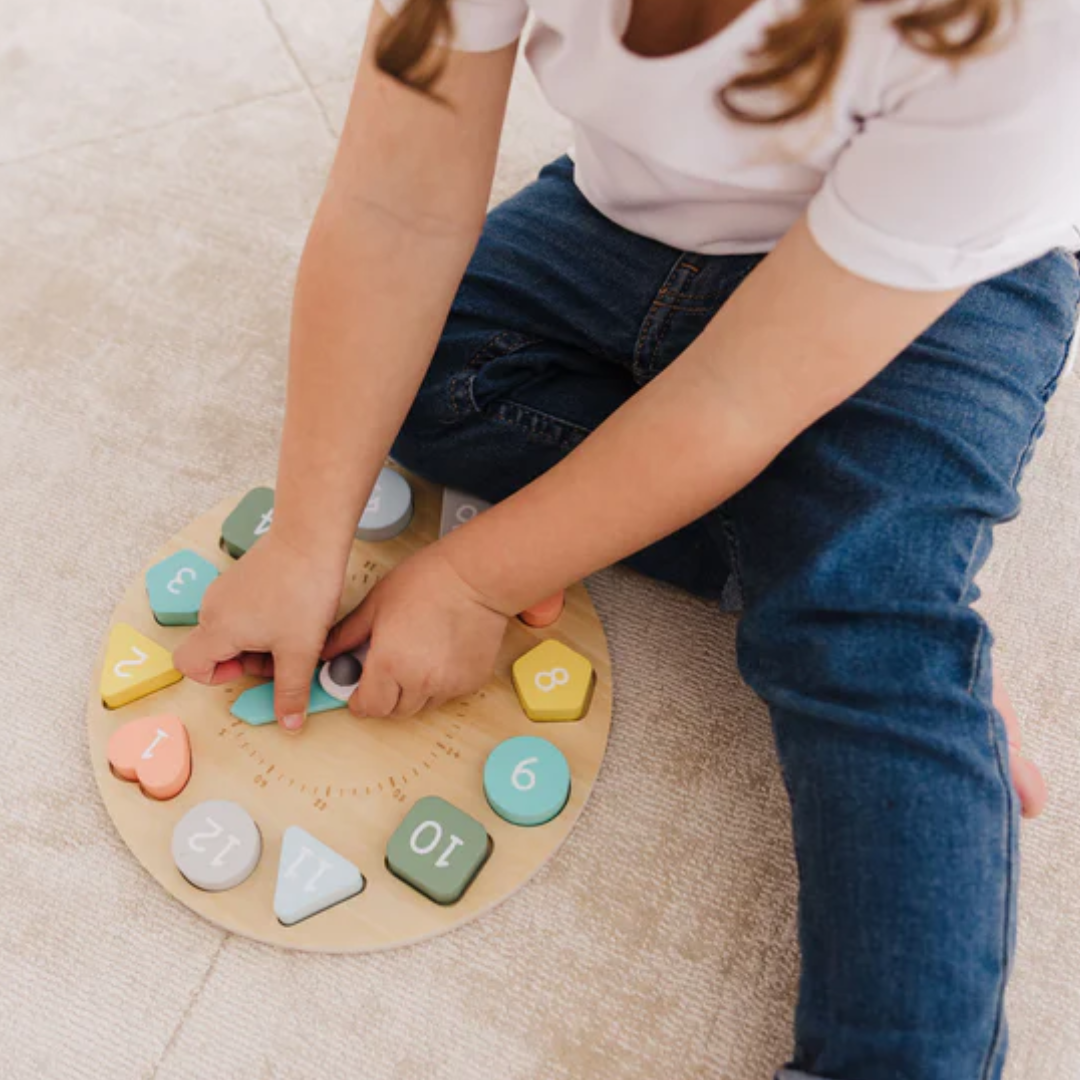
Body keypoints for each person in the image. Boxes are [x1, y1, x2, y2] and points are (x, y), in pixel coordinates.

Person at [174, 0, 1080, 1075]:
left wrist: (475, 578)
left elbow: (739, 396)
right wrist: (307, 533)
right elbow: (393, 208)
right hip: (634, 230)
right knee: (417, 382)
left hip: (932, 294)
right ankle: (869, 565)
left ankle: (893, 608)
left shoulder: (1017, 37)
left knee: (865, 623)